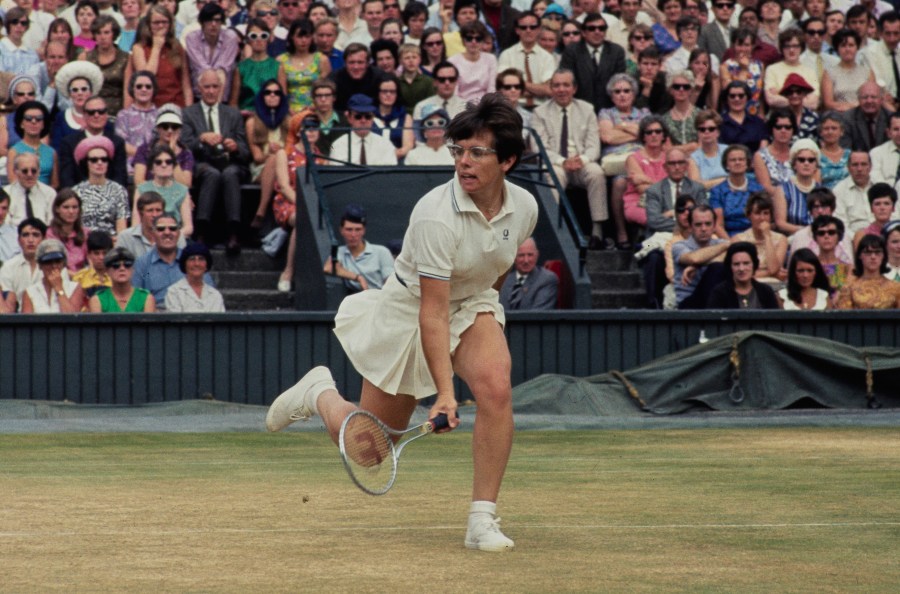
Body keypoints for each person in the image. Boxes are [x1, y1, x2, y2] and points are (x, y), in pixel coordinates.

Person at [266, 94, 536, 553]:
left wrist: (484, 307)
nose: (464, 162)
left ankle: (481, 520)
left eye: (477, 152)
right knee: (369, 451)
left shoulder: (525, 206)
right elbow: (431, 313)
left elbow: (499, 265)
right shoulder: (436, 216)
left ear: (507, 160)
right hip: (411, 313)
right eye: (459, 150)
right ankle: (319, 393)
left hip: (471, 303)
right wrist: (446, 394)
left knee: (496, 387)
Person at [531, 69, 608, 249]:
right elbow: (539, 147)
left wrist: (581, 159)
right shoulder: (539, 113)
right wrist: (562, 161)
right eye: (556, 85)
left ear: (574, 88)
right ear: (551, 89)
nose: (561, 89)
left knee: (596, 172)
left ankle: (597, 232)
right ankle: (557, 232)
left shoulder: (587, 109)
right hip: (557, 163)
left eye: (566, 85)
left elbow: (593, 146)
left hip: (581, 162)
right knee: (554, 174)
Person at [181, 69, 250, 253]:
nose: (211, 91)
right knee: (211, 173)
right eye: (206, 87)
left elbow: (245, 152)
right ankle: (202, 231)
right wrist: (201, 139)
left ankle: (233, 232)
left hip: (229, 162)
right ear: (198, 89)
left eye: (215, 87)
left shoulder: (232, 114)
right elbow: (184, 146)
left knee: (230, 173)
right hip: (202, 162)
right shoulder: (188, 114)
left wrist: (234, 147)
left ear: (221, 88)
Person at [611, 115, 669, 248]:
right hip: (639, 202)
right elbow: (643, 190)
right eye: (649, 132)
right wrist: (662, 186)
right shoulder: (633, 158)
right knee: (657, 218)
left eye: (658, 131)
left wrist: (645, 179)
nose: (654, 135)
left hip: (666, 203)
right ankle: (649, 249)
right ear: (643, 137)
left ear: (663, 135)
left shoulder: (669, 158)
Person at [131, 212, 211, 309]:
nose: (167, 232)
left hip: (189, 315)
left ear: (178, 233)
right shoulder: (142, 264)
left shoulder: (194, 262)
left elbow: (209, 293)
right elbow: (135, 301)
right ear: (153, 233)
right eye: (161, 229)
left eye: (172, 228)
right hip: (155, 318)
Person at [128, 4, 193, 107]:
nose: (161, 26)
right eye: (156, 23)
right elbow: (146, 77)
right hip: (151, 106)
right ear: (149, 25)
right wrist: (156, 48)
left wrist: (189, 110)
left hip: (176, 104)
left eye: (164, 22)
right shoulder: (139, 48)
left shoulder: (177, 46)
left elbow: (186, 83)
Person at [559, 13, 626, 112]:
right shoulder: (572, 51)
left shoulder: (616, 51)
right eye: (591, 28)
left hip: (610, 109)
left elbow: (619, 82)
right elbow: (567, 80)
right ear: (583, 32)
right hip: (578, 109)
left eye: (601, 28)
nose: (597, 31)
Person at [59, 95, 129, 189]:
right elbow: (67, 179)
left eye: (101, 112)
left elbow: (120, 177)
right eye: (91, 112)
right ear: (84, 115)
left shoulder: (117, 143)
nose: (96, 115)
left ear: (106, 114)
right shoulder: (68, 143)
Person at [246, 81, 291, 228]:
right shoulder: (252, 122)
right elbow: (257, 157)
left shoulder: (289, 121)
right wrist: (276, 154)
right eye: (268, 92)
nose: (272, 95)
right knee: (273, 159)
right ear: (262, 96)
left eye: (277, 93)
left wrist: (281, 153)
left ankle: (264, 214)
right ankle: (261, 212)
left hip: (286, 168)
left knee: (278, 158)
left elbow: (293, 151)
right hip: (262, 167)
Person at [322, 204, 395, 292]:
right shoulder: (340, 252)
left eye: (358, 230)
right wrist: (358, 278)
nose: (353, 235)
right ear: (341, 230)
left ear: (363, 230)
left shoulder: (381, 252)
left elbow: (390, 282)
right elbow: (327, 268)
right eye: (349, 230)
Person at [71, 135, 130, 238]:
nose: (100, 163)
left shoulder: (119, 190)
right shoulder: (76, 192)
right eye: (94, 160)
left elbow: (122, 229)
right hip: (84, 242)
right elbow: (73, 226)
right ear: (86, 163)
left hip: (111, 243)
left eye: (104, 159)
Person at [673, 202, 729, 309]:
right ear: (690, 227)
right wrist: (728, 244)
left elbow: (732, 257)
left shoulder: (720, 244)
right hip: (689, 304)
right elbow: (694, 258)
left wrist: (697, 266)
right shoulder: (679, 246)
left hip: (716, 300)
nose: (703, 229)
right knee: (716, 268)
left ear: (714, 226)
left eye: (708, 224)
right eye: (698, 224)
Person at [498, 11, 555, 110]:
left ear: (539, 29)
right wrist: (538, 88)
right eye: (523, 27)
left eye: (532, 27)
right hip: (513, 108)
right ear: (517, 30)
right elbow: (503, 88)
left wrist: (519, 84)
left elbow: (548, 90)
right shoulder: (506, 55)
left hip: (542, 108)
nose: (528, 30)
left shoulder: (547, 57)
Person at [184, 3, 241, 103]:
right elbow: (203, 69)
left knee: (221, 73)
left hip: (223, 99)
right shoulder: (192, 38)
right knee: (208, 75)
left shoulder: (230, 37)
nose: (213, 24)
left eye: (217, 20)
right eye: (209, 20)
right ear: (202, 22)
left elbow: (222, 69)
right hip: (198, 98)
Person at [134, 145, 193, 239]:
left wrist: (169, 236)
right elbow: (135, 224)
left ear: (173, 166)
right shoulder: (141, 189)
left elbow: (188, 227)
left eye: (168, 162)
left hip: (175, 237)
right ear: (151, 168)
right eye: (158, 162)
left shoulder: (182, 190)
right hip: (147, 238)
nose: (164, 165)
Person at [597, 73, 649, 177]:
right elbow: (608, 138)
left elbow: (649, 136)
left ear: (633, 95)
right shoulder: (606, 113)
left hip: (641, 157)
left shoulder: (644, 113)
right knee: (621, 180)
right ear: (612, 97)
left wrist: (622, 126)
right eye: (617, 91)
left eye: (626, 91)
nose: (622, 94)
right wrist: (637, 134)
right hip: (616, 159)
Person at [645, 148, 707, 234]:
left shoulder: (697, 188)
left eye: (680, 163)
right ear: (665, 167)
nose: (677, 167)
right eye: (672, 163)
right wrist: (685, 225)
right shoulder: (654, 190)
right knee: (647, 247)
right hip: (660, 236)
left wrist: (670, 214)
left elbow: (704, 217)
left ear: (686, 166)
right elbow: (654, 221)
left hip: (692, 235)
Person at [231, 18, 287, 113]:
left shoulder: (278, 67)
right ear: (248, 39)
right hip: (246, 116)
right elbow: (233, 103)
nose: (259, 39)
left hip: (270, 116)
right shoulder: (240, 68)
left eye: (263, 36)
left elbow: (283, 100)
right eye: (253, 36)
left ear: (269, 38)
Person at [731, 191, 788, 284]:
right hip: (746, 284)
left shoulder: (781, 239)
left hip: (773, 285)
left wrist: (767, 236)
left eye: (766, 213)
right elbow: (739, 273)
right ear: (749, 215)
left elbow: (773, 268)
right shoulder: (738, 240)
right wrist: (769, 273)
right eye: (757, 213)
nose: (762, 218)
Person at [133, 104, 194, 189]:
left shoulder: (186, 153)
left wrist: (172, 155)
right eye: (165, 126)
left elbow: (186, 185)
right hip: (150, 196)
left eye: (174, 127)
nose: (170, 130)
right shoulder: (145, 149)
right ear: (158, 128)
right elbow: (139, 182)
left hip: (176, 197)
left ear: (180, 129)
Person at [329, 93, 398, 165]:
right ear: (349, 118)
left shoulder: (385, 145)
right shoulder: (337, 145)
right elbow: (336, 174)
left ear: (373, 118)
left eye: (368, 116)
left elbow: (390, 174)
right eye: (358, 117)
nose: (363, 121)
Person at [280, 18, 331, 113]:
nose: (304, 41)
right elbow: (282, 92)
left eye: (307, 37)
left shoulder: (321, 60)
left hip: (316, 109)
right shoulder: (282, 60)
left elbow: (325, 88)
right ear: (292, 37)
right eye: (300, 37)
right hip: (290, 110)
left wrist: (314, 108)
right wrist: (289, 110)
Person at [80, 15, 129, 114]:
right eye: (98, 33)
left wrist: (125, 116)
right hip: (92, 112)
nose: (102, 37)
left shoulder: (126, 58)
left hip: (118, 111)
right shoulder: (85, 57)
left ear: (114, 34)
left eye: (106, 32)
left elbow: (128, 92)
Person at [707, 241, 779, 308]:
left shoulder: (766, 291)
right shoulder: (719, 293)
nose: (741, 269)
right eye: (736, 264)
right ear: (730, 267)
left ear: (754, 264)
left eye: (746, 263)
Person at [835, 233, 900, 308]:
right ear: (859, 255)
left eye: (877, 252)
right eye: (868, 252)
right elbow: (844, 317)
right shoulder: (849, 287)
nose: (873, 257)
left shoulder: (896, 287)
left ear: (883, 256)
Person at [49, 60, 103, 148]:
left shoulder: (101, 115)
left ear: (90, 92)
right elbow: (57, 148)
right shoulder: (61, 117)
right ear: (70, 94)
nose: (79, 93)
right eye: (75, 90)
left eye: (84, 89)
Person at [20, 237, 84, 312]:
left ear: (63, 263)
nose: (54, 266)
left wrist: (59, 289)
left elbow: (72, 319)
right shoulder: (30, 292)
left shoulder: (74, 287)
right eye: (48, 262)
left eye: (57, 261)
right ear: (40, 265)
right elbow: (27, 322)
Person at [118, 190, 185, 259]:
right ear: (141, 213)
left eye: (158, 210)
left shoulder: (177, 235)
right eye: (150, 210)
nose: (155, 215)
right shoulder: (125, 237)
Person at [772, 138, 820, 236]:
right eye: (801, 160)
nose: (806, 163)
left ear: (816, 165)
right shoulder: (782, 189)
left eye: (811, 160)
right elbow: (780, 223)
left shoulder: (821, 190)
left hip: (819, 236)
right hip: (793, 237)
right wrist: (807, 231)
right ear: (794, 164)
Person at [115, 72, 160, 174]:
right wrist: (144, 155)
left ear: (154, 90)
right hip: (131, 167)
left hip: (158, 166)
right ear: (132, 89)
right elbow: (122, 144)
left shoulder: (161, 115)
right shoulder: (123, 115)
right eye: (139, 86)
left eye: (148, 87)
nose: (143, 89)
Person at [821, 28, 874, 113]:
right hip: (840, 116)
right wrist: (854, 107)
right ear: (837, 48)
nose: (847, 49)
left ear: (857, 47)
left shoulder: (867, 72)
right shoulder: (829, 73)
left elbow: (873, 98)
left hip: (864, 115)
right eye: (843, 45)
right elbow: (828, 103)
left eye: (851, 45)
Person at [6, 102, 58, 189]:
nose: (33, 122)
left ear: (43, 124)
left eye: (39, 119)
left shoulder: (51, 152)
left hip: (46, 198)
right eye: (28, 118)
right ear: (21, 123)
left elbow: (55, 183)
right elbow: (13, 182)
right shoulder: (14, 151)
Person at [498, 237, 558, 310]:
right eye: (521, 255)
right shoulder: (503, 281)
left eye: (530, 255)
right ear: (514, 257)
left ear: (537, 255)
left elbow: (538, 315)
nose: (526, 260)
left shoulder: (546, 279)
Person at [165, 242, 225, 312]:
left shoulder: (215, 295)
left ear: (206, 265)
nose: (197, 263)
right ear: (184, 265)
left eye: (201, 259)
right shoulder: (174, 292)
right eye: (192, 259)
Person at [0, 217, 46, 308]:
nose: (30, 240)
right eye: (25, 235)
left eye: (36, 235)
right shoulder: (8, 267)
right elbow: (7, 303)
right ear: (18, 240)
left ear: (44, 239)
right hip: (17, 318)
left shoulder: (53, 265)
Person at [719, 28, 764, 115]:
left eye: (746, 45)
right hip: (732, 115)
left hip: (754, 114)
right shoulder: (725, 66)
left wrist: (761, 116)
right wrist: (744, 69)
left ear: (752, 46)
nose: (743, 49)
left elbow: (760, 96)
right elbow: (731, 92)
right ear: (733, 46)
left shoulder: (759, 65)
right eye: (739, 45)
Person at [752, 108, 795, 197]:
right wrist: (789, 197)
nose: (783, 131)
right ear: (772, 129)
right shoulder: (760, 156)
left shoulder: (799, 153)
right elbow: (766, 187)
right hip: (772, 201)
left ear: (793, 130)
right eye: (778, 127)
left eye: (788, 127)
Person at [372, 75, 415, 162]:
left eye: (392, 91)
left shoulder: (406, 117)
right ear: (377, 93)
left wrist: (388, 157)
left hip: (398, 165)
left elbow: (408, 146)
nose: (388, 95)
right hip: (371, 162)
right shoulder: (368, 116)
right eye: (384, 91)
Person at [717, 80, 767, 153]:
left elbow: (763, 150)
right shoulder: (719, 123)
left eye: (741, 96)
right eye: (732, 96)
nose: (737, 99)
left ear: (747, 98)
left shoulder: (758, 123)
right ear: (726, 99)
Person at [46, 188, 88, 272]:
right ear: (57, 209)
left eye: (74, 207)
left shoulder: (86, 233)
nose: (71, 211)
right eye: (66, 207)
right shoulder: (50, 234)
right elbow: (54, 264)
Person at [840, 82, 890, 152]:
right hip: (858, 161)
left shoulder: (890, 118)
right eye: (864, 97)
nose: (869, 101)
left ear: (881, 100)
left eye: (873, 97)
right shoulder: (847, 119)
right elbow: (846, 151)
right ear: (858, 100)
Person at [688, 109, 727, 190]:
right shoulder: (693, 158)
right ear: (698, 133)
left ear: (718, 132)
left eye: (711, 129)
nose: (706, 132)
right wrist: (725, 180)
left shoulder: (728, 151)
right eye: (702, 129)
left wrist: (707, 183)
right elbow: (696, 186)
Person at [852, 183, 898, 250]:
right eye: (877, 204)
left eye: (886, 203)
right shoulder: (861, 235)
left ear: (893, 208)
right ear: (871, 208)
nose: (882, 208)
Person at [71, 229, 112, 299]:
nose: (101, 257)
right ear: (88, 255)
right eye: (96, 253)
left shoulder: (116, 276)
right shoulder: (80, 277)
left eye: (105, 253)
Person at [779, 73, 819, 142]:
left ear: (804, 93)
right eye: (790, 92)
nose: (794, 95)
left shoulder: (814, 117)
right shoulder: (779, 117)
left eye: (798, 92)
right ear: (786, 95)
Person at [869, 112, 900, 187]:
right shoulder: (876, 153)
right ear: (888, 132)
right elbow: (875, 179)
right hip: (885, 195)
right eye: (896, 129)